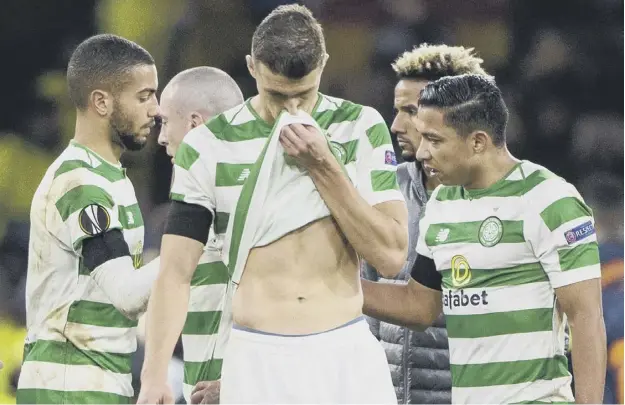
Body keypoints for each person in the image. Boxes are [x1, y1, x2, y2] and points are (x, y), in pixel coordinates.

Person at [138, 4, 408, 404]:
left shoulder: (360, 126)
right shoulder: (207, 145)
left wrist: (324, 166)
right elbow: (176, 273)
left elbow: (390, 256)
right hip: (256, 356)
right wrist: (155, 374)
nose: (291, 109)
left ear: (324, 66)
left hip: (343, 353)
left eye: (303, 94)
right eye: (277, 95)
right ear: (252, 67)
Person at [362, 74, 607, 404]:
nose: (421, 153)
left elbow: (586, 318)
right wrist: (332, 286)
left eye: (434, 140)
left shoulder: (550, 200)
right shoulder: (443, 203)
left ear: (477, 142)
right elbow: (419, 307)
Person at [16, 34, 162, 404]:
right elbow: (127, 294)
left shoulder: (110, 176)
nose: (156, 109)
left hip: (97, 381)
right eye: (143, 97)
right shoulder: (81, 183)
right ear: (101, 102)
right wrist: (194, 238)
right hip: (68, 386)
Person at [361, 44, 490, 404]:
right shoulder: (383, 190)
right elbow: (364, 305)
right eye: (396, 110)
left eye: (411, 111)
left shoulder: (502, 201)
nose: (396, 125)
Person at [157, 66, 244, 404]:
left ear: (195, 123)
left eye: (165, 122)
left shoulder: (244, 193)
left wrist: (235, 383)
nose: (162, 137)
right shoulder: (201, 192)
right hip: (204, 388)